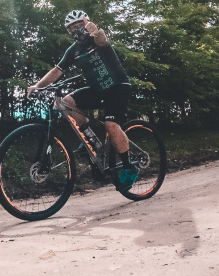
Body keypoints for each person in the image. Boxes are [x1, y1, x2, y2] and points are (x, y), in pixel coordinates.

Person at [26, 10, 138, 191]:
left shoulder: (96, 38)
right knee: (63, 103)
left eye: (80, 25)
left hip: (118, 87)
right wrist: (37, 86)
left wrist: (95, 31)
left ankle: (128, 167)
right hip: (97, 90)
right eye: (72, 28)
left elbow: (102, 40)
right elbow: (57, 71)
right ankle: (92, 140)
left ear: (87, 24)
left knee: (111, 125)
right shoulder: (73, 50)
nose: (77, 30)